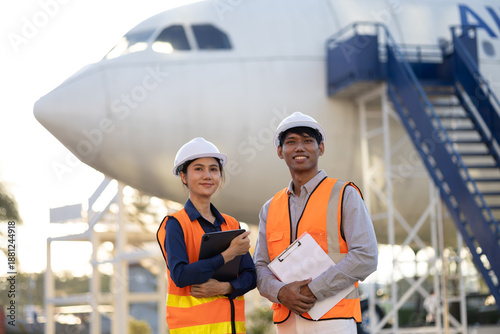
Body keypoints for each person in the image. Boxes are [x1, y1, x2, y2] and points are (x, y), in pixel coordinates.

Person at [253, 112, 378, 333]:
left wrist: (312, 290)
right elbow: (260, 267)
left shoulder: (345, 195)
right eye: (291, 142)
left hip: (333, 320)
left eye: (307, 141)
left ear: (320, 148)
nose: (299, 147)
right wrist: (281, 293)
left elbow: (366, 256)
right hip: (287, 322)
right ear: (280, 152)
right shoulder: (270, 208)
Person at [156, 137, 257, 334]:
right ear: (183, 176)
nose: (207, 175)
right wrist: (228, 254)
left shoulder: (231, 224)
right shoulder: (175, 224)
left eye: (213, 169)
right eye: (199, 169)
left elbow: (251, 277)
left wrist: (224, 288)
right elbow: (181, 275)